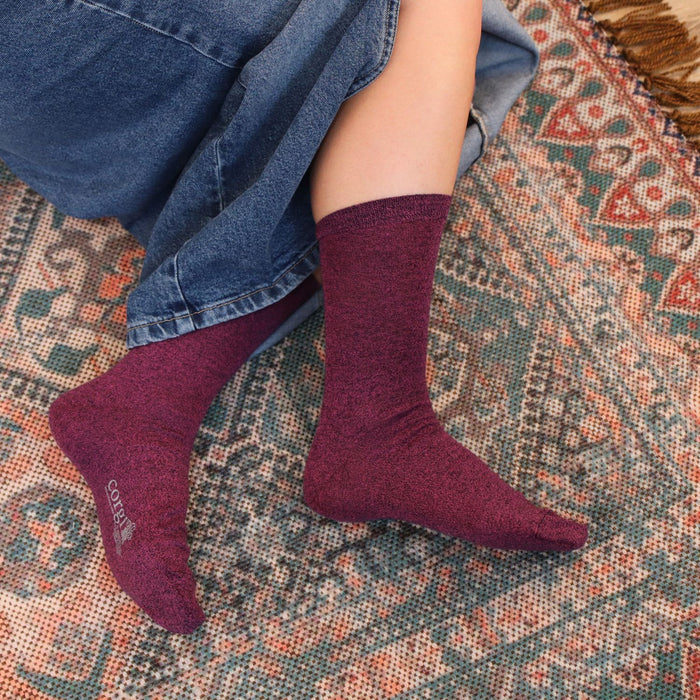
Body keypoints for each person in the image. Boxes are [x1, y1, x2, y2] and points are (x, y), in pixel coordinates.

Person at [1, 0, 588, 635]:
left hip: (60, 123)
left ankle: (162, 390)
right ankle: (379, 417)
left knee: (399, 63)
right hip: (76, 53)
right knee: (423, 28)